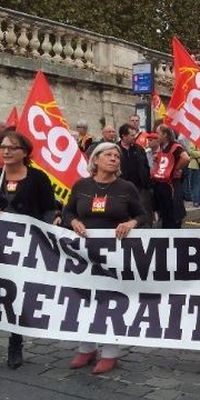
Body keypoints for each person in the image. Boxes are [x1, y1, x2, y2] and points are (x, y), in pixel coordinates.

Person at [62, 142, 146, 374]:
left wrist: (131, 223)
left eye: (117, 156)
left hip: (115, 255)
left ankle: (110, 352)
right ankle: (86, 348)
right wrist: (73, 221)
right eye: (108, 155)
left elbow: (142, 214)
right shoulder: (81, 185)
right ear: (95, 160)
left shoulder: (126, 187)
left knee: (110, 301)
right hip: (85, 254)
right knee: (85, 300)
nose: (114, 158)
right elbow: (68, 210)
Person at [0, 130, 59, 369]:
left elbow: (48, 208)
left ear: (24, 152)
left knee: (16, 294)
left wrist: (50, 225)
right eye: (3, 147)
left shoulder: (37, 178)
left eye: (11, 148)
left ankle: (16, 342)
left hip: (24, 246)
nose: (6, 151)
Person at [151, 125, 190, 228]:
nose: (156, 136)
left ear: (165, 135)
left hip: (171, 185)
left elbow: (185, 158)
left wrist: (175, 169)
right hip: (161, 185)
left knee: (173, 214)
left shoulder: (175, 146)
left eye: (158, 133)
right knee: (165, 213)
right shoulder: (162, 147)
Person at [117, 123, 153, 226]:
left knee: (144, 213)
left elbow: (146, 167)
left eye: (135, 135)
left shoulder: (139, 149)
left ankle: (147, 234)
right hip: (122, 188)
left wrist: (148, 185)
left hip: (140, 188)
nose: (135, 137)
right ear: (124, 136)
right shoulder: (115, 149)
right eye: (132, 135)